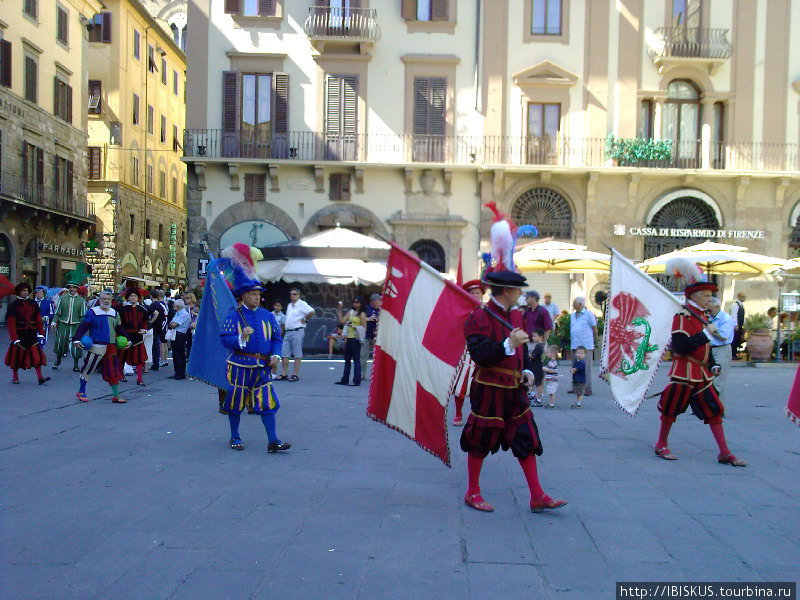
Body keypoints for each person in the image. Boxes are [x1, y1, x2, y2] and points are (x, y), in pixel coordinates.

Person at [460, 201, 566, 514]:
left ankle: (537, 495)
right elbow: (479, 355)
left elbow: (518, 354)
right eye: (517, 289)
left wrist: (528, 372)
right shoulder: (478, 317)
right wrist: (506, 343)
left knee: (525, 438)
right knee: (480, 438)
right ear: (505, 290)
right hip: (488, 387)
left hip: (514, 388)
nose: (521, 293)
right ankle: (472, 491)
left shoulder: (516, 315)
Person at [654, 259, 746, 466]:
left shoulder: (703, 315)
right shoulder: (682, 316)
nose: (709, 299)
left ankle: (724, 452)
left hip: (701, 374)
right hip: (684, 373)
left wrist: (712, 363)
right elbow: (680, 347)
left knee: (714, 411)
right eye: (706, 295)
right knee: (671, 409)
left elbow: (706, 347)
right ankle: (661, 444)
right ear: (693, 296)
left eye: (710, 295)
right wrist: (705, 334)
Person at [219, 272, 289, 453]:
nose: (257, 297)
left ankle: (273, 440)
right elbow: (225, 339)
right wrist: (241, 337)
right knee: (235, 403)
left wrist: (276, 355)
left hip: (262, 367)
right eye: (252, 294)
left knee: (268, 403)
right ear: (243, 296)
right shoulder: (233, 316)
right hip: (239, 366)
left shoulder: (268, 315)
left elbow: (276, 339)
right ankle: (235, 436)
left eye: (258, 294)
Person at [72, 290, 130, 404]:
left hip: (111, 346)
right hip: (96, 345)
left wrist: (128, 340)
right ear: (99, 300)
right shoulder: (93, 312)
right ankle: (81, 391)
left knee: (113, 371)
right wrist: (76, 339)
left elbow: (119, 328)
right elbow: (83, 326)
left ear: (112, 300)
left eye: (108, 299)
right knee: (89, 368)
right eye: (104, 299)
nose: (106, 301)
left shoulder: (115, 313)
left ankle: (116, 395)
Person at [451, 280, 485, 426]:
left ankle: (476, 414)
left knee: (481, 385)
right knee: (461, 383)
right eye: (472, 293)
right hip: (466, 350)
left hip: (484, 350)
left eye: (478, 293)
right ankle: (458, 413)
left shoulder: (488, 309)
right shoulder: (463, 310)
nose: (476, 295)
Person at [5, 282, 50, 385]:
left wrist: (41, 332)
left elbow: (38, 319)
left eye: (26, 290)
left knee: (36, 355)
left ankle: (40, 377)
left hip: (31, 333)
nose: (25, 292)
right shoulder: (13, 305)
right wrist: (14, 338)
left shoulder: (33, 303)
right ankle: (15, 377)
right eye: (23, 291)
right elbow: (11, 323)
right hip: (20, 333)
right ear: (19, 292)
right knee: (16, 356)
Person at [277, 288, 315, 382]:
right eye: (291, 294)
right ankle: (284, 373)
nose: (292, 296)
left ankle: (295, 374)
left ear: (298, 295)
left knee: (297, 353)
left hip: (297, 330)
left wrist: (306, 319)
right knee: (284, 353)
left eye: (294, 294)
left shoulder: (302, 304)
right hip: (288, 331)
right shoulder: (290, 305)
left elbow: (312, 311)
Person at [51, 280, 86, 371]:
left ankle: (76, 364)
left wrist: (82, 327)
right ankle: (58, 361)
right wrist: (54, 322)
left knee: (76, 345)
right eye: (70, 287)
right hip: (63, 324)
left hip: (76, 325)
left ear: (77, 289)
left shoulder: (81, 301)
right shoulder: (62, 299)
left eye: (74, 287)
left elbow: (83, 316)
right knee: (60, 343)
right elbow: (57, 313)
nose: (72, 289)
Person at [118, 289, 150, 386]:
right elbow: (119, 324)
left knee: (139, 358)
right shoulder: (122, 310)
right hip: (125, 336)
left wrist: (145, 330)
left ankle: (139, 378)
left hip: (138, 336)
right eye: (131, 296)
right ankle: (121, 375)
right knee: (122, 357)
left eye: (135, 296)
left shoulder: (143, 310)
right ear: (128, 297)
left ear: (138, 298)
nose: (133, 297)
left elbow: (145, 322)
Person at [707, 296, 734, 410]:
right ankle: (704, 406)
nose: (708, 311)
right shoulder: (708, 318)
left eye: (710, 308)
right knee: (705, 379)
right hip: (708, 349)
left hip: (721, 349)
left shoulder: (726, 319)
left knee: (718, 381)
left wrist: (709, 328)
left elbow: (723, 336)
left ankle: (718, 408)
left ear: (717, 306)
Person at [335, 297, 367, 386]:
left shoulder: (362, 314)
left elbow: (365, 328)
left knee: (356, 360)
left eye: (356, 302)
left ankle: (357, 380)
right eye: (353, 302)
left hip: (356, 339)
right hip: (348, 338)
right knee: (347, 360)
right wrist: (340, 309)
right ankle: (344, 380)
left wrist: (354, 326)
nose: (354, 304)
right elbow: (341, 321)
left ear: (361, 303)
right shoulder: (351, 312)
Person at [569, 297, 597, 395]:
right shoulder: (573, 315)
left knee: (586, 367)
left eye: (574, 303)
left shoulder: (588, 314)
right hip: (575, 344)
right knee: (575, 366)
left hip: (585, 345)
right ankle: (576, 387)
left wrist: (593, 341)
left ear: (580, 304)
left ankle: (587, 388)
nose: (573, 305)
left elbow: (594, 329)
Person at [360, 293, 382, 380]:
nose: (375, 304)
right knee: (363, 355)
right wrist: (369, 319)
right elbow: (360, 319)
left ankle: (376, 376)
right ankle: (362, 374)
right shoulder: (367, 309)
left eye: (377, 302)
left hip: (378, 336)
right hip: (367, 334)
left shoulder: (382, 310)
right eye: (374, 302)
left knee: (377, 357)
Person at [168, 299, 191, 380]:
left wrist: (172, 324)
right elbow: (171, 323)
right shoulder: (178, 313)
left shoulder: (184, 314)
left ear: (177, 306)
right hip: (175, 334)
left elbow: (173, 324)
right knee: (175, 354)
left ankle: (181, 373)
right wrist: (172, 324)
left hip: (180, 335)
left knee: (179, 354)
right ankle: (177, 372)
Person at [148, 290, 168, 371]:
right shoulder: (161, 305)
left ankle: (155, 363)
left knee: (153, 346)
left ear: (151, 296)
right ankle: (157, 362)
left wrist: (150, 322)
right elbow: (164, 317)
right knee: (157, 345)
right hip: (160, 327)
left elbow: (154, 314)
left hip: (154, 327)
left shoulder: (152, 305)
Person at [526, 328, 545, 407]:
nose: (533, 338)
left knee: (538, 383)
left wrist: (528, 355)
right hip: (539, 366)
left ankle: (539, 399)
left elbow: (532, 357)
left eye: (534, 336)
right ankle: (536, 397)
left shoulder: (538, 346)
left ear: (540, 336)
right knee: (537, 383)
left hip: (536, 367)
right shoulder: (543, 345)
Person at [729, 292, 746, 359]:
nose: (744, 298)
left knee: (738, 340)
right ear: (738, 296)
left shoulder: (741, 305)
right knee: (734, 339)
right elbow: (734, 315)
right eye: (742, 296)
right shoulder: (735, 305)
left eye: (744, 297)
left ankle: (734, 354)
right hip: (736, 326)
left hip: (740, 325)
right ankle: (732, 355)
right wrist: (735, 324)